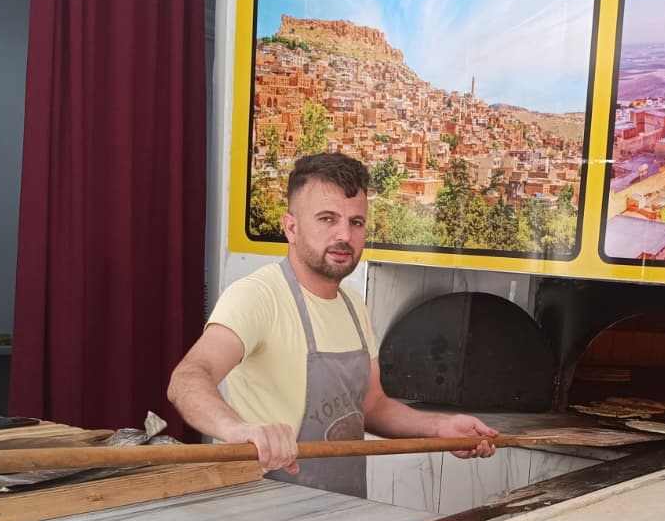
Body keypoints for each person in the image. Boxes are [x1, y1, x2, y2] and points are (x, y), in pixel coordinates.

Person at [168, 152, 497, 498]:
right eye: (328, 219)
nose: (345, 235)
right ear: (291, 227)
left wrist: (442, 427)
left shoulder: (353, 307)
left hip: (344, 509)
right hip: (266, 515)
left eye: (356, 222)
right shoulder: (258, 296)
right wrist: (237, 429)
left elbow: (372, 406)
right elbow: (188, 378)